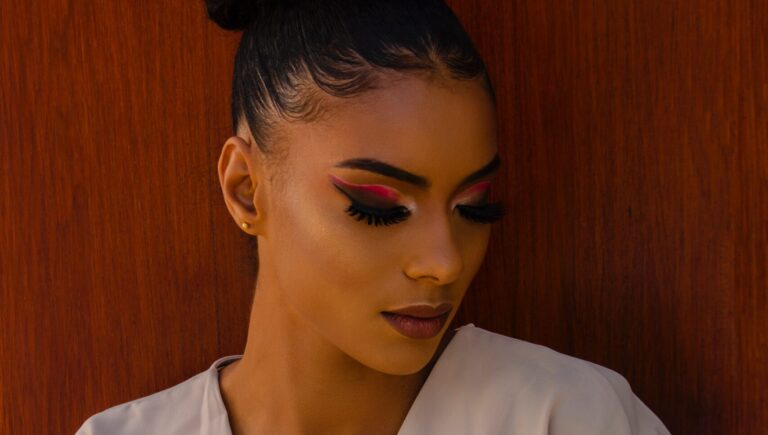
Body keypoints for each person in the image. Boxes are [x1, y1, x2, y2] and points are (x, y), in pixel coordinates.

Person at [76, 0, 671, 434]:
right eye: (379, 209)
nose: (445, 262)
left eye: (473, 208)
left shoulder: (564, 417)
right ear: (246, 190)